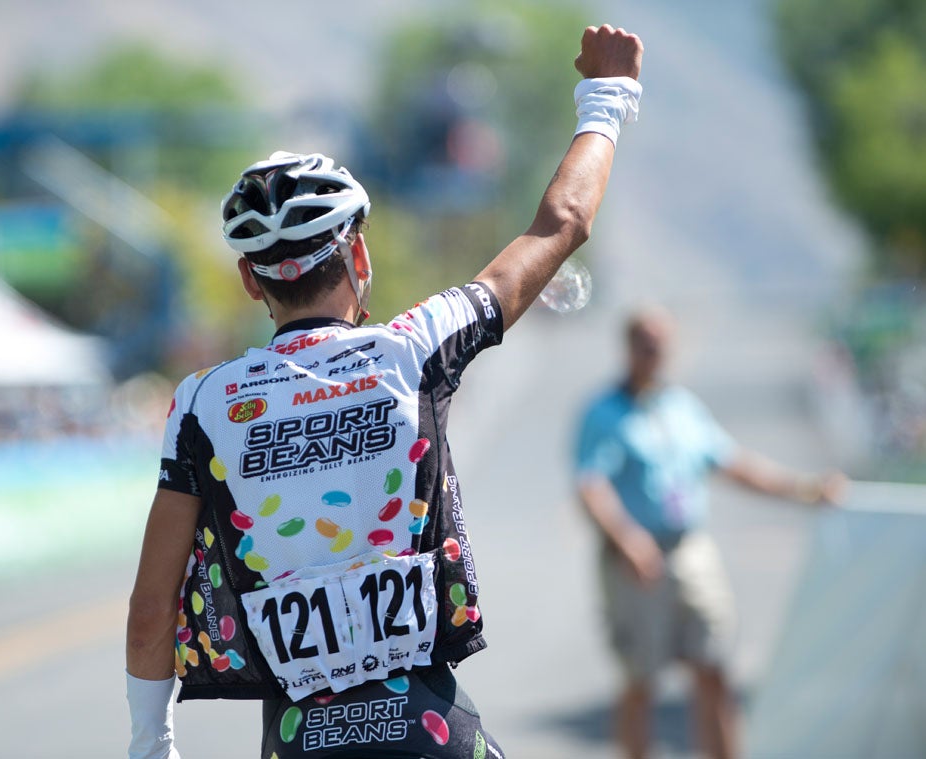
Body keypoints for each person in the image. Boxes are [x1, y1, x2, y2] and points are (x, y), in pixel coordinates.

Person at [126, 24, 645, 759]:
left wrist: (151, 745)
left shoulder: (203, 406)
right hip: (431, 734)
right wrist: (607, 96)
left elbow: (152, 612)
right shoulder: (414, 348)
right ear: (359, 254)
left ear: (251, 280)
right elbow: (562, 223)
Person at [574, 304, 848, 759]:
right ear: (628, 348)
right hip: (635, 555)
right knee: (640, 681)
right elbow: (591, 486)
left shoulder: (681, 406)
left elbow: (733, 464)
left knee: (715, 668)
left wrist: (804, 489)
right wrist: (628, 540)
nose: (654, 352)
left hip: (690, 548)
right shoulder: (604, 412)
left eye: (661, 344)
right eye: (645, 343)